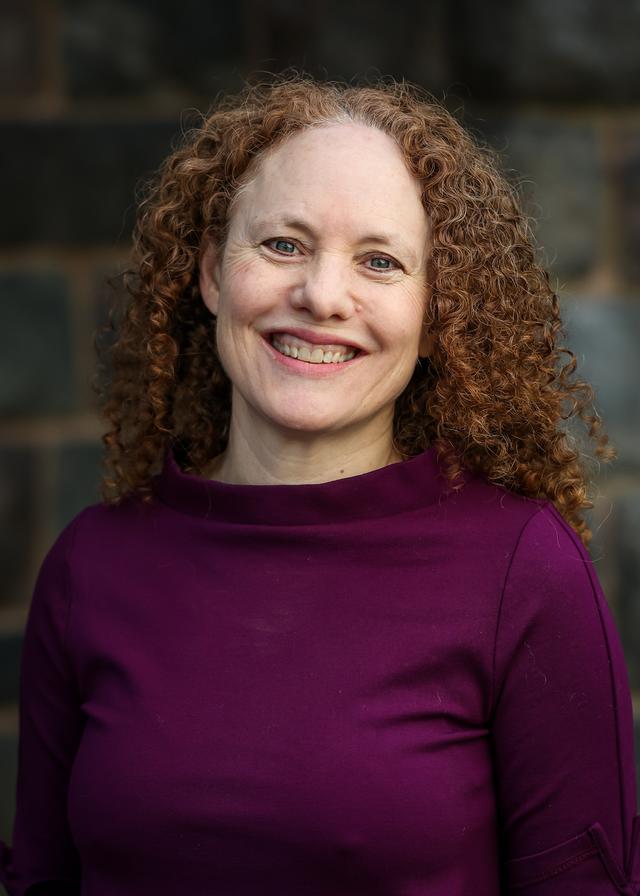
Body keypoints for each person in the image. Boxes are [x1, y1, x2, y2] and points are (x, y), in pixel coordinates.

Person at [1, 71, 638, 895]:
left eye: (379, 261)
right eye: (283, 245)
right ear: (209, 272)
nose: (321, 296)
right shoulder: (91, 568)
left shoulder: (524, 573)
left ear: (434, 312)